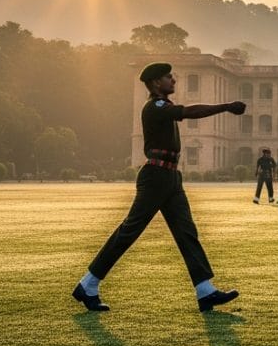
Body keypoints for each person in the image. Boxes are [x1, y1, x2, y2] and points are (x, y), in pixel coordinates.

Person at [72, 62, 240, 312]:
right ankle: (88, 284)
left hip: (170, 176)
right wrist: (225, 107)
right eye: (168, 77)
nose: (173, 80)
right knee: (129, 232)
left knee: (186, 232)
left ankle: (205, 291)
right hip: (155, 176)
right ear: (154, 83)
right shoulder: (155, 107)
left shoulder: (164, 107)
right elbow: (189, 112)